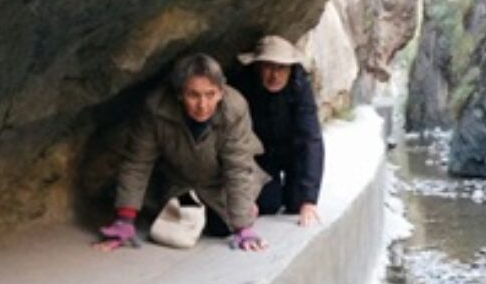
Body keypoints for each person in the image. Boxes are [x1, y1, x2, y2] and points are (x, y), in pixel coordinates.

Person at [96, 53, 270, 252]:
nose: (202, 105)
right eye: (193, 95)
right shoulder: (156, 108)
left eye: (210, 94)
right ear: (179, 94)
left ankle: (249, 205)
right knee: (169, 226)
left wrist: (243, 227)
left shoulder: (234, 108)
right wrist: (124, 219)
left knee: (222, 227)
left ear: (221, 92)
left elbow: (237, 168)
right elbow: (137, 162)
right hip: (180, 180)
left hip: (219, 181)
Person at [234, 35, 325, 227]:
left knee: (297, 204)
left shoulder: (300, 87)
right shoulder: (243, 86)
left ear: (291, 69)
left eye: (281, 68)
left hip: (293, 151)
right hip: (260, 153)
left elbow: (311, 140)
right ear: (257, 67)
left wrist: (309, 200)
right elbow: (234, 141)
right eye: (268, 67)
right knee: (268, 204)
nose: (274, 75)